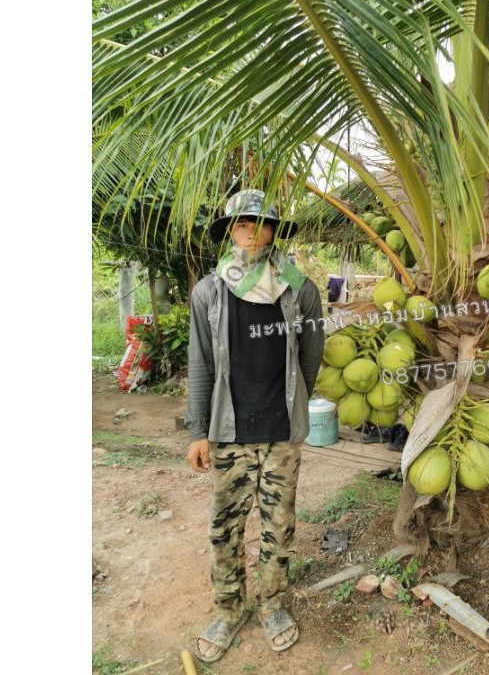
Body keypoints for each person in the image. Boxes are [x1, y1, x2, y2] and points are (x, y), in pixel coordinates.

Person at [184, 189, 325, 663]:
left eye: (261, 223)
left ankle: (272, 605)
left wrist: (293, 405)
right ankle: (227, 609)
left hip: (281, 432)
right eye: (242, 224)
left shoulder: (299, 288)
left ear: (273, 231)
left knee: (278, 526)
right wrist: (197, 431)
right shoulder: (209, 290)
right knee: (224, 528)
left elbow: (311, 357)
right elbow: (200, 363)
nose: (251, 231)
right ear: (229, 232)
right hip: (229, 432)